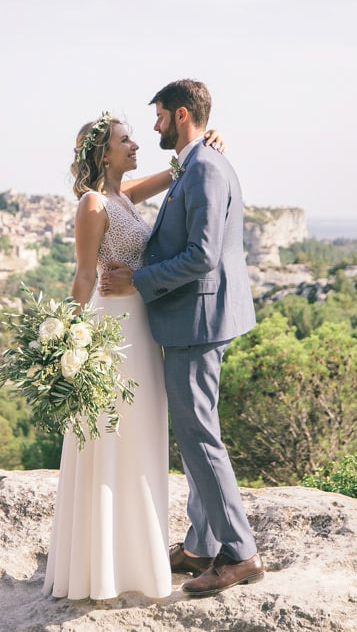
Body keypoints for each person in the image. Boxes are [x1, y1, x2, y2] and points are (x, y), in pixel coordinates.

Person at [43, 113, 224, 601]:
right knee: (112, 437)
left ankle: (132, 559)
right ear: (104, 153)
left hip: (142, 332)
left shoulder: (124, 195)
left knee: (142, 438)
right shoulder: (93, 202)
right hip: (113, 331)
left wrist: (205, 142)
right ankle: (101, 567)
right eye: (125, 139)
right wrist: (64, 339)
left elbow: (180, 170)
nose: (135, 143)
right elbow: (84, 277)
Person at [100, 79, 263, 598]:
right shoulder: (195, 164)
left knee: (198, 436)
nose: (154, 127)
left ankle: (239, 553)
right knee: (197, 430)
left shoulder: (207, 169)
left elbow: (202, 256)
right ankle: (199, 546)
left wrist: (137, 282)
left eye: (161, 117)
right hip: (195, 318)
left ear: (183, 114)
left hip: (198, 320)